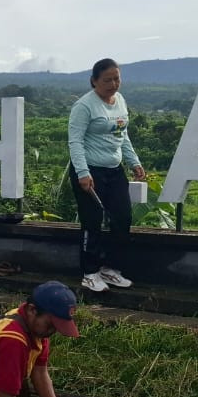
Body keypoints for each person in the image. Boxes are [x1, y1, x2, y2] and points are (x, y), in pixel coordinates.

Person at [68, 58, 146, 293]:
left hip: (114, 170)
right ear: (94, 81)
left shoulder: (119, 101)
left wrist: (134, 161)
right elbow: (75, 141)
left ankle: (111, 269)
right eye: (107, 80)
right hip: (90, 171)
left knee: (122, 219)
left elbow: (123, 135)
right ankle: (89, 272)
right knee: (92, 220)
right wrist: (83, 172)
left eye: (117, 78)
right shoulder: (84, 106)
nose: (113, 84)